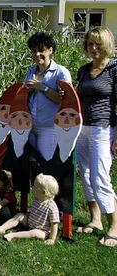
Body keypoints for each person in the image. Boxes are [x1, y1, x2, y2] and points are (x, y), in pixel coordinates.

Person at [74, 26, 117, 246]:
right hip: (83, 129)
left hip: (103, 129)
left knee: (100, 178)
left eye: (98, 44)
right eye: (89, 44)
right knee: (86, 175)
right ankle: (95, 220)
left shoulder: (114, 69)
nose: (93, 48)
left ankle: (114, 227)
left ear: (107, 45)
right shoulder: (83, 70)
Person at [23, 32, 72, 162]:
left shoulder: (61, 72)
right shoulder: (31, 71)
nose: (37, 55)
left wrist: (43, 88)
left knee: (45, 163)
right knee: (31, 163)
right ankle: (34, 183)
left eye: (41, 50)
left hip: (49, 126)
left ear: (50, 50)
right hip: (29, 125)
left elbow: (65, 100)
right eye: (34, 51)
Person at [0, 173, 60, 245]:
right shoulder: (37, 199)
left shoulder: (51, 207)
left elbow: (54, 224)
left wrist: (51, 239)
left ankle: (13, 235)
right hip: (30, 223)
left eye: (35, 186)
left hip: (42, 231)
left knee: (35, 232)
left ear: (43, 192)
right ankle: (2, 228)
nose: (32, 187)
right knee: (19, 215)